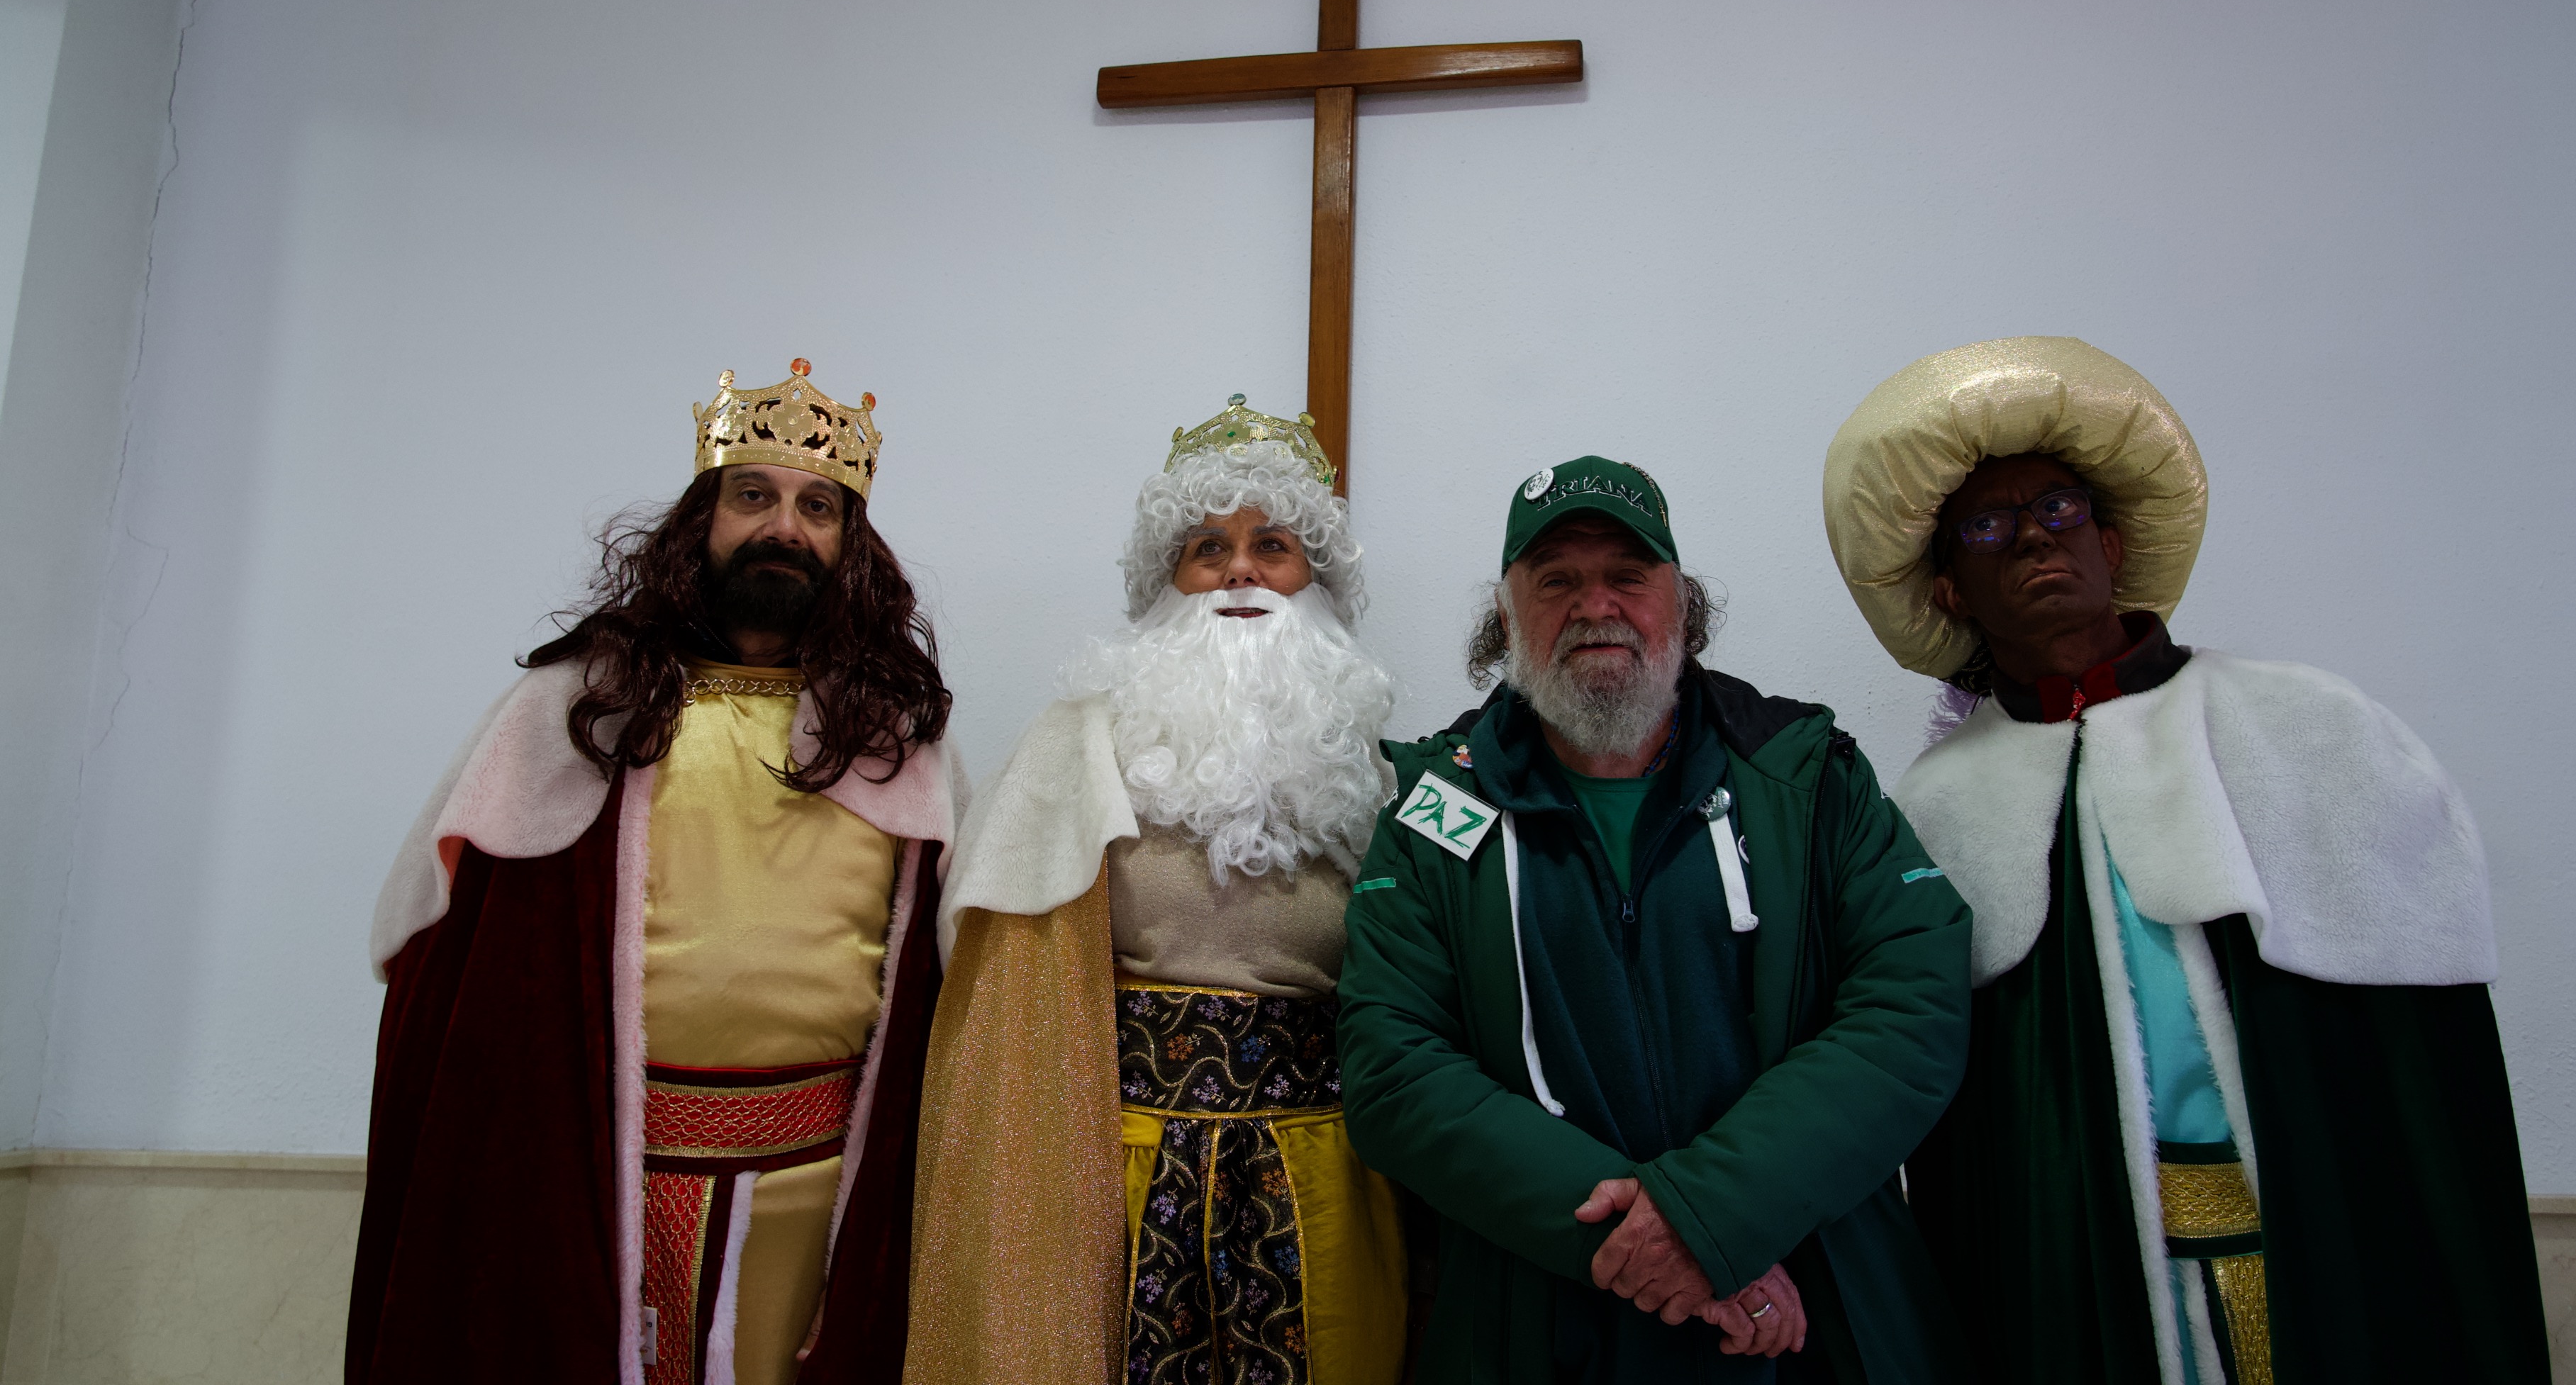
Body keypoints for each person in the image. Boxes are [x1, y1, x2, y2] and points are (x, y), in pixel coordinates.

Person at [1820, 336, 2549, 1383]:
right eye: (1989, 526)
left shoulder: (2312, 727)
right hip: (2080, 1267)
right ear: (1949, 592)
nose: (2035, 539)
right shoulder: (1932, 812)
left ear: (2113, 544)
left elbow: (2422, 1081)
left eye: (2061, 511)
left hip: (2319, 1230)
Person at [348, 360, 961, 1385]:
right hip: (602, 1167)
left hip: (819, 1179)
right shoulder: (578, 710)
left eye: (820, 507)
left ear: (853, 547)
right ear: (700, 520)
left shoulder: (895, 736)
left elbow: (944, 981)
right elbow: (457, 966)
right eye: (752, 496)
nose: (785, 528)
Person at [1335, 456, 1974, 1383]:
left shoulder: (1805, 778)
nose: (1595, 604)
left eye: (1627, 576)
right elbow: (1393, 1071)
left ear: (1684, 607)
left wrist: (1711, 1218)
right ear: (1505, 620)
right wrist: (1642, 1243)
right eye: (1555, 580)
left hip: (1806, 1313)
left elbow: (1914, 1001)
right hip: (1540, 1323)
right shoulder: (1440, 810)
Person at [902, 397, 1408, 1385]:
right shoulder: (1083, 744)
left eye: (1275, 546)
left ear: (1318, 583)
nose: (1242, 573)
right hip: (1119, 1172)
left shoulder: (1373, 771)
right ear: (1168, 585)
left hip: (1329, 1180)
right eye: (1207, 548)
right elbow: (995, 983)